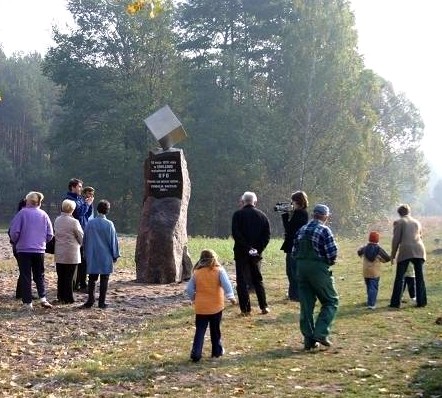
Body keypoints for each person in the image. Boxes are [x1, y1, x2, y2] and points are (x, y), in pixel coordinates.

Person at [293, 204, 338, 350]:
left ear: (313, 215)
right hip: (318, 269)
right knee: (331, 301)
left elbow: (294, 252)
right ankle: (321, 332)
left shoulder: (301, 229)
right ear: (325, 216)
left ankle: (309, 340)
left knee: (306, 306)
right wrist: (327, 263)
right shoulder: (324, 230)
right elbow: (332, 254)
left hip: (301, 269)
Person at [185, 249, 237, 362]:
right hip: (216, 306)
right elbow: (227, 285)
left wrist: (194, 297)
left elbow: (188, 289)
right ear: (214, 258)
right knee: (215, 329)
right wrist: (231, 297)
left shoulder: (197, 273)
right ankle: (216, 352)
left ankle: (196, 353)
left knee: (200, 330)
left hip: (201, 307)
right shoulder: (219, 271)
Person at [8, 191, 54, 310]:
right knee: (39, 275)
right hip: (39, 249)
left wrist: (16, 241)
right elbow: (50, 234)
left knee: (25, 275)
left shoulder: (22, 213)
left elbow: (14, 232)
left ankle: (28, 303)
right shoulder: (44, 214)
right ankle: (43, 298)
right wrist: (42, 241)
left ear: (28, 201)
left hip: (23, 249)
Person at [232, 191, 270, 316]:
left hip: (241, 252)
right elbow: (266, 236)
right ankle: (263, 306)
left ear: (243, 201)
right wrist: (257, 249)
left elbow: (236, 234)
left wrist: (247, 247)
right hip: (256, 254)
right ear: (255, 201)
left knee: (241, 280)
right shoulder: (263, 216)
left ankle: (246, 309)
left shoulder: (237, 215)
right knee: (258, 279)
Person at [81, 200, 120, 309]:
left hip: (93, 253)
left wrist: (85, 253)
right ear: (107, 211)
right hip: (105, 255)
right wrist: (115, 254)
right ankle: (101, 302)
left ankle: (90, 300)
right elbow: (113, 241)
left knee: (92, 278)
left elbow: (85, 239)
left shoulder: (90, 223)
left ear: (97, 209)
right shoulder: (109, 224)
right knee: (104, 278)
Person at [389, 204, 427, 308]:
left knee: (400, 277)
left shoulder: (400, 222)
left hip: (406, 250)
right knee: (420, 277)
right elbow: (420, 236)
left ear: (399, 213)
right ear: (409, 212)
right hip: (419, 249)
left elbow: (396, 240)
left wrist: (393, 256)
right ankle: (421, 302)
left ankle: (395, 303)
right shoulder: (417, 222)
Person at [64, 178, 94, 292]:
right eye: (79, 186)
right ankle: (81, 284)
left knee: (83, 259)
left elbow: (86, 214)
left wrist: (89, 204)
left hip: (83, 230)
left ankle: (81, 283)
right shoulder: (69, 200)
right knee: (79, 260)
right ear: (73, 187)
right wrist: (86, 204)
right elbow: (78, 214)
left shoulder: (80, 199)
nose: (81, 188)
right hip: (74, 234)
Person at [280, 191, 309, 301]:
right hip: (293, 244)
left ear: (297, 201)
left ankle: (295, 294)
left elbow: (289, 228)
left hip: (294, 245)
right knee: (291, 270)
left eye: (292, 201)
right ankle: (293, 293)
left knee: (292, 270)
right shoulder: (301, 213)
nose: (291, 203)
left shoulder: (300, 213)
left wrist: (285, 215)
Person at [54, 199, 84, 304]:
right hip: (71, 253)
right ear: (72, 209)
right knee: (70, 276)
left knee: (61, 276)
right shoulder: (74, 222)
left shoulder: (57, 220)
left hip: (59, 251)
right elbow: (81, 236)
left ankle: (60, 296)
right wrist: (80, 244)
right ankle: (69, 297)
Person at [357, 231, 391, 309]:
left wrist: (361, 247)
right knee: (373, 287)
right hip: (375, 272)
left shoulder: (365, 248)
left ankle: (369, 301)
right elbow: (386, 259)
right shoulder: (379, 249)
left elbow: (359, 253)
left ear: (369, 239)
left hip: (366, 271)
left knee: (369, 287)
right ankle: (371, 304)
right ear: (377, 240)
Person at [8, 198, 27, 299]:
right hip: (20, 248)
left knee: (24, 270)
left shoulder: (19, 215)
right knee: (25, 271)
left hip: (18, 247)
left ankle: (21, 292)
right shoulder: (21, 216)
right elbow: (12, 232)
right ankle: (21, 293)